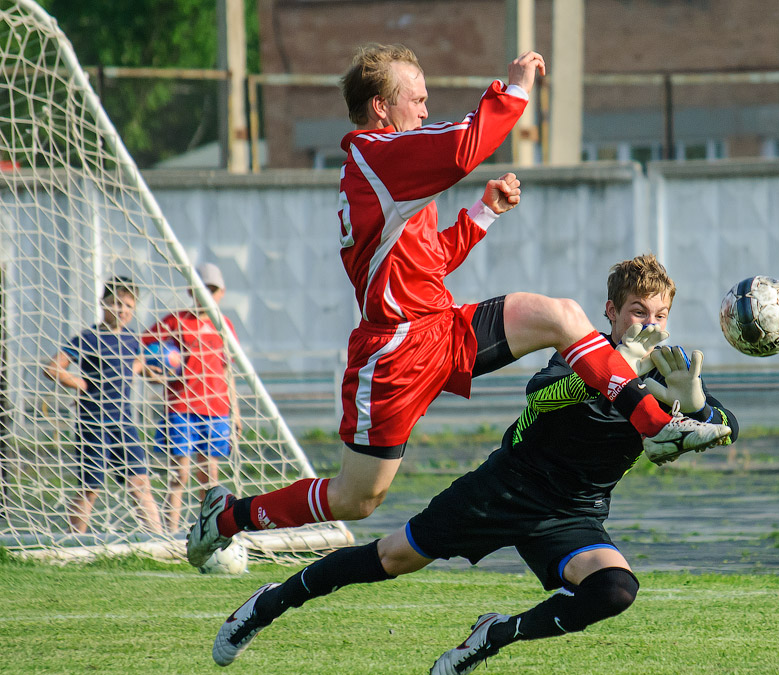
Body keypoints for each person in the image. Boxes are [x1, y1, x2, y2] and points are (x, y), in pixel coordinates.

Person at [185, 44, 729, 567]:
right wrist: (514, 89)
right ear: (381, 107)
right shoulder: (380, 155)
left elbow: (428, 260)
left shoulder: (385, 173)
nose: (425, 109)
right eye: (416, 99)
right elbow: (463, 145)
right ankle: (226, 519)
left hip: (440, 328)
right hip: (394, 353)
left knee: (562, 316)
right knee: (358, 499)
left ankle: (654, 422)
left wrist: (484, 212)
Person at [210, 255, 738, 675]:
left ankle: (495, 634)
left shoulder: (668, 373)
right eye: (638, 311)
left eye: (660, 314)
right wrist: (618, 366)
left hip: (572, 515)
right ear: (612, 312)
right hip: (503, 490)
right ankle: (267, 603)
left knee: (616, 589)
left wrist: (694, 401)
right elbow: (543, 394)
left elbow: (727, 423)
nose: (651, 324)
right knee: (391, 557)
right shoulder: (586, 353)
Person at [43, 276, 163, 534]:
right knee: (90, 488)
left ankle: (159, 539)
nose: (122, 310)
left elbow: (133, 365)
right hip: (94, 423)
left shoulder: (132, 339)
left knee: (140, 483)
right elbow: (54, 368)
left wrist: (152, 372)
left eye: (128, 305)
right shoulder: (88, 338)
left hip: (124, 422)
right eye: (116, 303)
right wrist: (81, 384)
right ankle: (73, 542)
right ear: (103, 303)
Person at [142, 262, 237, 534]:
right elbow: (141, 347)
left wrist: (235, 413)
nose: (207, 294)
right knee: (179, 475)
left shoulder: (224, 324)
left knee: (209, 477)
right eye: (201, 289)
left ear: (222, 293)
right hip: (182, 407)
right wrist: (153, 372)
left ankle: (207, 531)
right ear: (191, 291)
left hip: (217, 408)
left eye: (212, 289)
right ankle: (171, 533)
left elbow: (228, 370)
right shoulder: (175, 321)